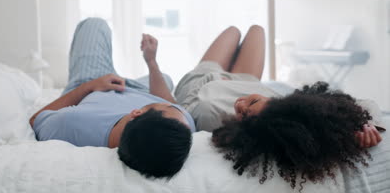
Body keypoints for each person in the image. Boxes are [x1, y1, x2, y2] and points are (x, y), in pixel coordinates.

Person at [174, 25, 385, 190]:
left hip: (201, 84)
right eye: (253, 102)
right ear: (279, 104)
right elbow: (366, 106)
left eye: (241, 114)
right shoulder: (293, 113)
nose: (239, 104)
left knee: (233, 31)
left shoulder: (213, 116)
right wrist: (361, 128)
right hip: (246, 81)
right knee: (257, 30)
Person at [30, 18, 195, 179]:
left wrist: (89, 86)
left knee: (94, 24)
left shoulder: (71, 123)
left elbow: (35, 120)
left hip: (94, 84)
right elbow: (165, 99)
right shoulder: (178, 134)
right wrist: (151, 61)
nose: (172, 105)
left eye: (169, 107)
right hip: (139, 90)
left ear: (136, 112)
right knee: (165, 78)